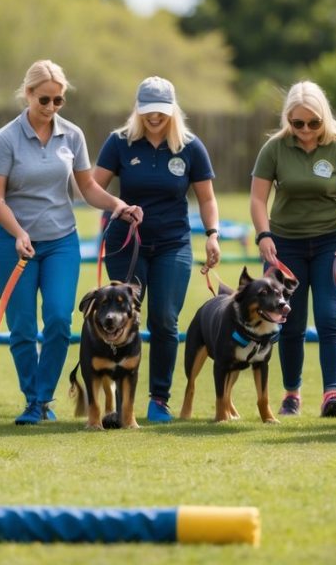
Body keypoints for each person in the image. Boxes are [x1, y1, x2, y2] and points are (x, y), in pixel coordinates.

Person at [0, 60, 142, 425]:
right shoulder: (5, 139)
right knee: (23, 326)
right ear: (28, 94)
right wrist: (19, 233)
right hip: (14, 244)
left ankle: (43, 399)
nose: (51, 107)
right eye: (44, 99)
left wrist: (118, 205)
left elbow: (87, 187)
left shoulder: (72, 135)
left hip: (60, 242)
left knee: (58, 319)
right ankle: (33, 401)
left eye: (58, 100)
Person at [92, 76, 222, 424]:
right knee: (120, 317)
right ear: (138, 109)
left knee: (164, 318)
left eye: (161, 111)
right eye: (148, 110)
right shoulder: (119, 143)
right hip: (126, 244)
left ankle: (159, 399)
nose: (154, 117)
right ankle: (120, 399)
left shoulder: (190, 147)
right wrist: (118, 206)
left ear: (172, 110)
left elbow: (207, 198)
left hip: (172, 243)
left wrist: (212, 234)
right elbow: (92, 186)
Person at [250, 80, 336, 419]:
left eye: (313, 123)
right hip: (285, 245)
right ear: (288, 119)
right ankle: (291, 394)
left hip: (331, 243)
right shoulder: (274, 148)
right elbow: (257, 199)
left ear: (324, 117)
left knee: (330, 319)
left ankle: (333, 395)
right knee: (289, 321)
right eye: (297, 123)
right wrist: (263, 235)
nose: (306, 131)